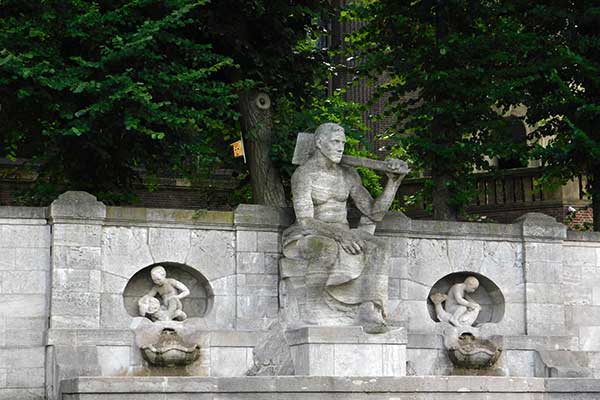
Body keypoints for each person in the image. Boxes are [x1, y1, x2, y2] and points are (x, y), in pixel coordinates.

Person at [283, 122, 407, 332]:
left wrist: (393, 183)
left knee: (379, 247)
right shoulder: (304, 175)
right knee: (327, 248)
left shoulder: (348, 174)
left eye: (343, 143)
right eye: (335, 142)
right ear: (320, 143)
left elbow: (374, 212)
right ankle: (313, 307)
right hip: (307, 234)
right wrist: (340, 235)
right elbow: (305, 220)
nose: (340, 147)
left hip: (343, 231)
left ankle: (369, 308)